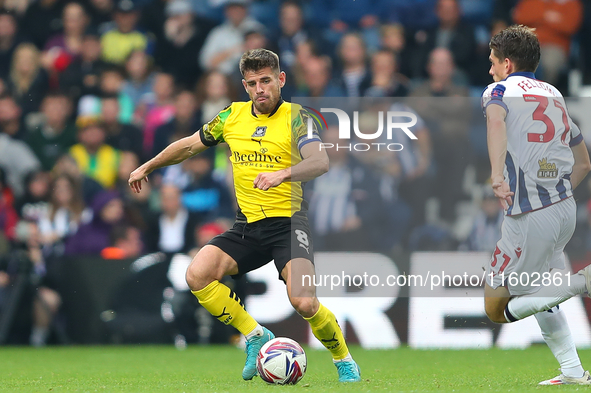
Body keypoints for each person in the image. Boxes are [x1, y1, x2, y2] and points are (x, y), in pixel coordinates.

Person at [128, 48, 361, 382]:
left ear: (280, 80)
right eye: (252, 83)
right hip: (247, 226)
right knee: (197, 275)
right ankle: (255, 335)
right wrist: (148, 165)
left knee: (305, 302)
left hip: (288, 224)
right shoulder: (231, 117)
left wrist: (282, 174)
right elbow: (189, 145)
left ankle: (343, 360)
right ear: (245, 85)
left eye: (266, 80)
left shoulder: (298, 117)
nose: (259, 89)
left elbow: (320, 161)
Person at [482, 25, 591, 385]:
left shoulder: (499, 90)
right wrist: (557, 192)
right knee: (540, 292)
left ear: (508, 63)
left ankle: (580, 282)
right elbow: (585, 163)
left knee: (496, 309)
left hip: (530, 216)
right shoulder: (553, 93)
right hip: (563, 209)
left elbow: (496, 121)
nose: (490, 70)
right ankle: (573, 371)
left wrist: (497, 175)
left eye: (493, 62)